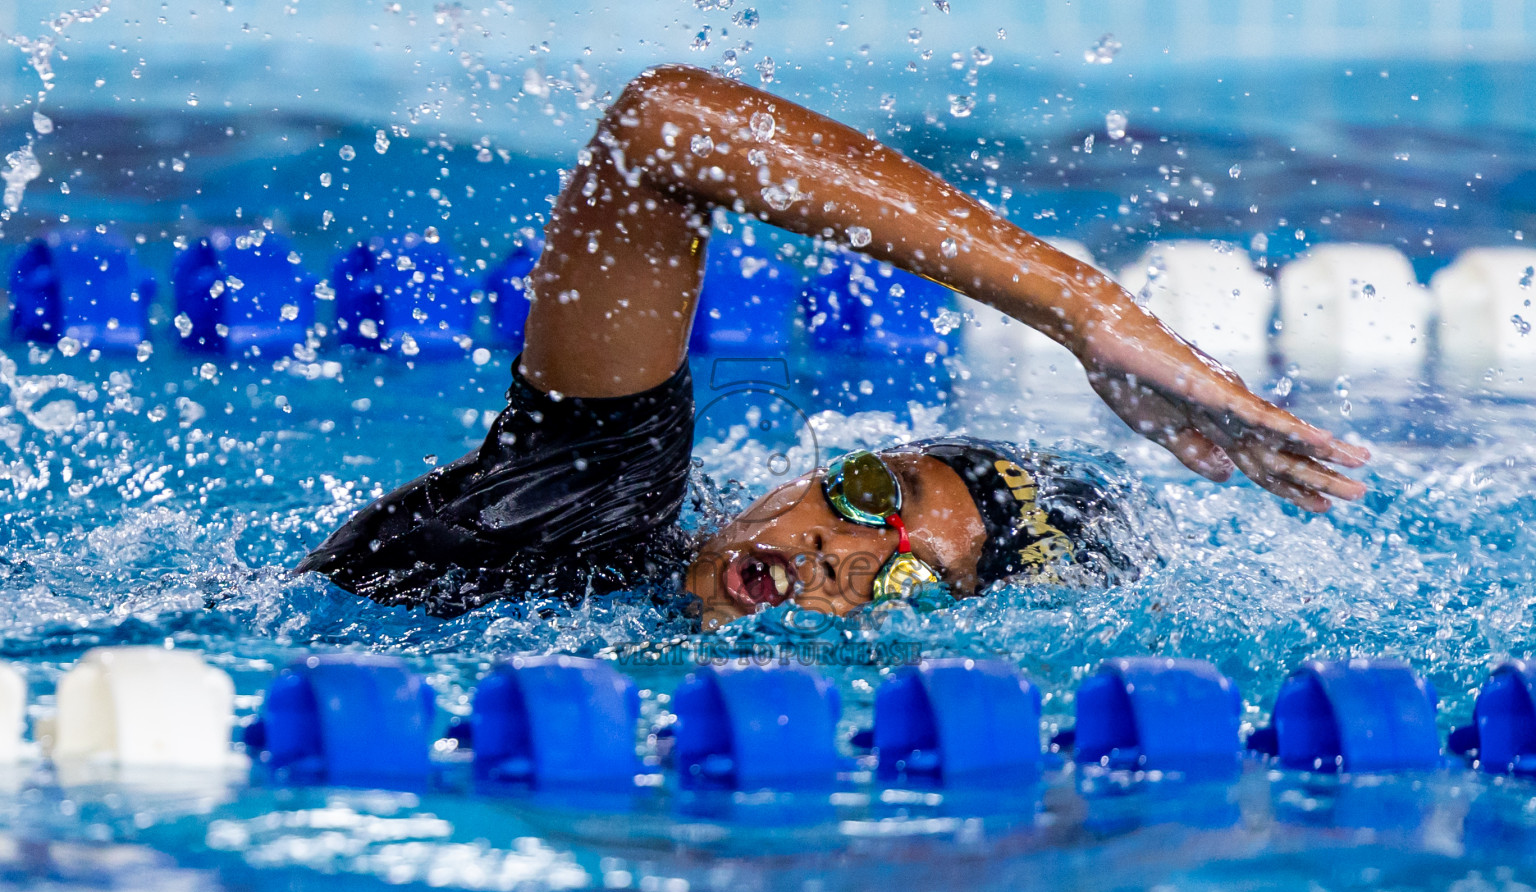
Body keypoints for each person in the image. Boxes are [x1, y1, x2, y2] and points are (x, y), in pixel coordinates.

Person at [297, 64, 1370, 628]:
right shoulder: (589, 501)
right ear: (807, 470)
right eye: (864, 491)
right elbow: (663, 130)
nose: (836, 554)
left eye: (904, 581)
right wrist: (1081, 307)